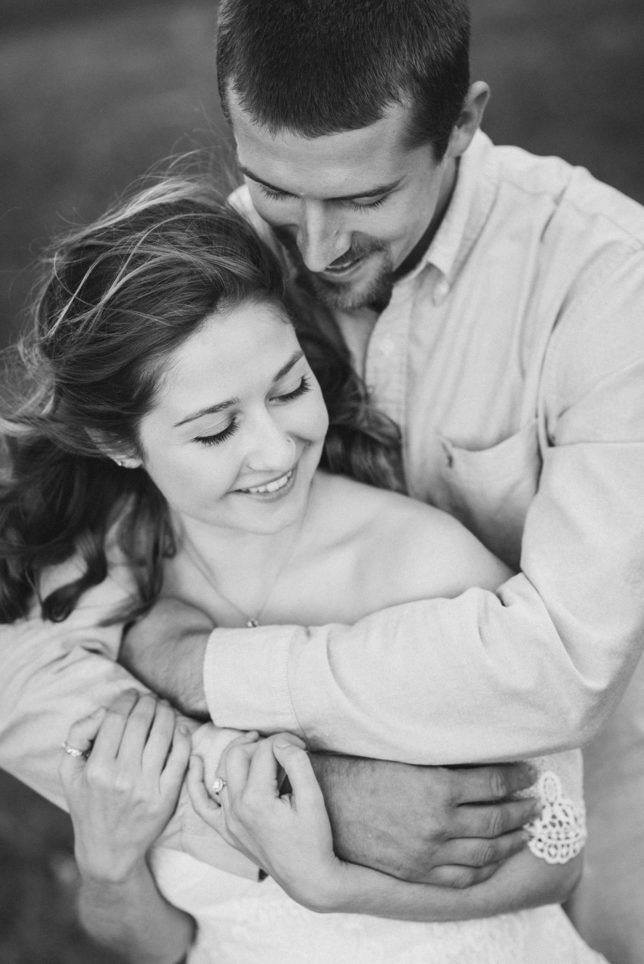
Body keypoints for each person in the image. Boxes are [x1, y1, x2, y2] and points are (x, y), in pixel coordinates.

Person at [110, 2, 643, 962]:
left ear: (464, 126)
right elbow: (35, 636)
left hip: (590, 781)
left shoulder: (613, 284)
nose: (311, 251)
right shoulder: (217, 276)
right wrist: (319, 786)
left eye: (362, 199)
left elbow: (563, 660)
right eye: (271, 186)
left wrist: (211, 673)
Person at [2, 176, 602, 963]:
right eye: (216, 431)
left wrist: (334, 886)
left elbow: (556, 858)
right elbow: (164, 947)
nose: (278, 450)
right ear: (121, 445)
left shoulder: (426, 567)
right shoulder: (99, 605)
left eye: (289, 388)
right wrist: (107, 865)